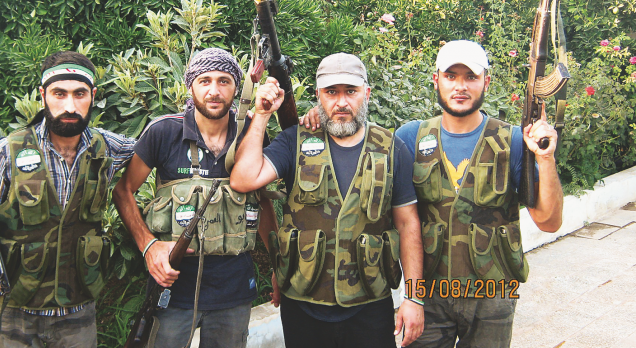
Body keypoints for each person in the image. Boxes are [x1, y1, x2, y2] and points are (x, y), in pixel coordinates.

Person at [231, 53, 424, 348]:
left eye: (351, 91)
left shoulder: (391, 148)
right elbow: (243, 180)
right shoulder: (294, 141)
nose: (341, 102)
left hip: (370, 306)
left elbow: (408, 225)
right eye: (331, 92)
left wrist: (414, 297)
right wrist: (262, 114)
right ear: (318, 95)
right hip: (303, 305)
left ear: (366, 93)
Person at [392, 40, 563, 347]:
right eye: (451, 76)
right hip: (429, 295)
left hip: (493, 296)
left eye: (471, 76)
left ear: (486, 81)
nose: (460, 86)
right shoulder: (410, 137)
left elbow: (549, 222)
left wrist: (545, 158)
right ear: (436, 80)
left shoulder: (512, 140)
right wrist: (316, 122)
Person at [0, 51, 135, 347]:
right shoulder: (8, 152)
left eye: (79, 94)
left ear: (93, 96)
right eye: (59, 93)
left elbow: (159, 144)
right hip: (17, 309)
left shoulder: (108, 148)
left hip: (78, 311)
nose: (70, 106)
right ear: (43, 95)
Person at [112, 48, 279, 348]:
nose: (214, 91)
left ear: (236, 88)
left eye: (224, 81)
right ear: (190, 86)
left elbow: (262, 201)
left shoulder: (251, 132)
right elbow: (123, 191)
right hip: (173, 291)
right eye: (205, 81)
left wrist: (278, 266)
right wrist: (148, 246)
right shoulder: (164, 131)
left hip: (233, 292)